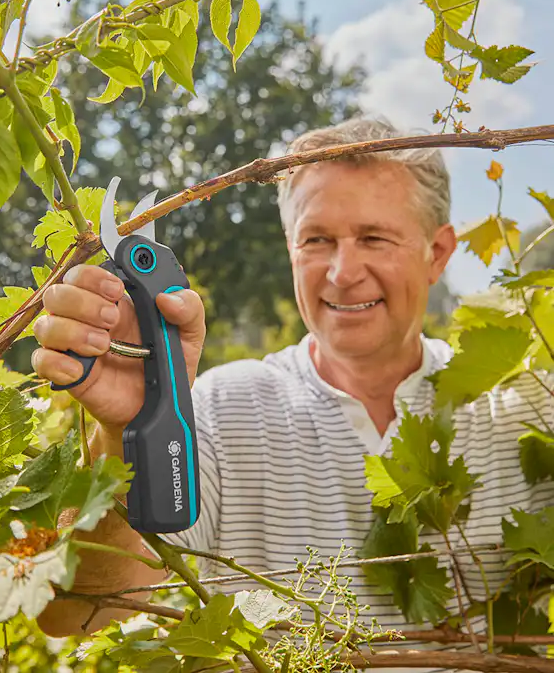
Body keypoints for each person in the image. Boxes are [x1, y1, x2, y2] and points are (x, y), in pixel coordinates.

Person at [31, 118, 554, 657]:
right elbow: (74, 612)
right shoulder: (216, 410)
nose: (342, 272)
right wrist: (125, 434)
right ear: (289, 247)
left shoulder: (528, 408)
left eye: (374, 237)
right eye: (317, 240)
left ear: (438, 253)